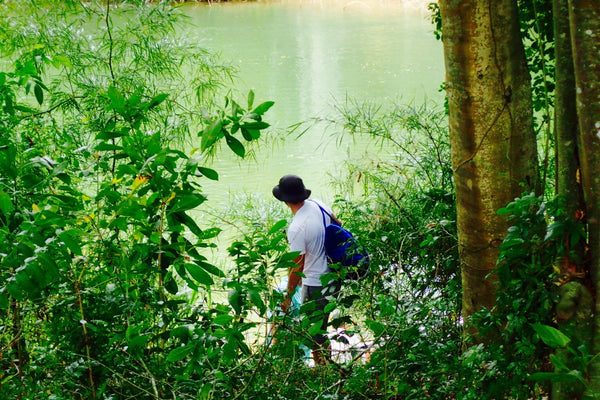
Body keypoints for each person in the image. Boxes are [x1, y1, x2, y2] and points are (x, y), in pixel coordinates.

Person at [272, 174, 339, 366]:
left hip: (316, 283)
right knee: (322, 327)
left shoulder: (297, 227)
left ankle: (323, 373)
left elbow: (297, 267)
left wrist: (288, 295)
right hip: (334, 275)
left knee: (314, 334)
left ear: (285, 201)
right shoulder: (319, 204)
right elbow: (338, 226)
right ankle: (325, 367)